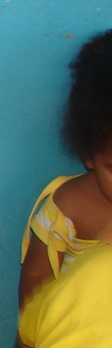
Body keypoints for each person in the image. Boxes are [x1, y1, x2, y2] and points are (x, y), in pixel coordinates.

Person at [17, 29, 112, 313]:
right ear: (89, 154)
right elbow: (36, 278)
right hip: (77, 331)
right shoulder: (68, 207)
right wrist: (39, 328)